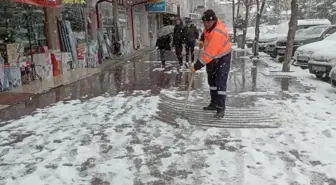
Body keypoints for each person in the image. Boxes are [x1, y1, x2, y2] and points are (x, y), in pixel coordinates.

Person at [191, 9, 232, 119]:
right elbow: (205, 34)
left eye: (208, 22)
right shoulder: (210, 28)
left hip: (223, 58)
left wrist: (197, 65)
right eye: (204, 22)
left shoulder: (217, 32)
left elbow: (208, 55)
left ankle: (221, 108)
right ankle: (214, 103)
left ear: (214, 20)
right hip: (213, 58)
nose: (206, 24)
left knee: (220, 83)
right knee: (212, 81)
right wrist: (202, 40)